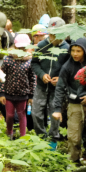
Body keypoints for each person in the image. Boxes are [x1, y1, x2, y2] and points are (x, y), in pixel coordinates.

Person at [51, 38, 86, 162]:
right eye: (73, 50)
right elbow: (60, 87)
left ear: (85, 51)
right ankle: (73, 162)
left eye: (78, 51)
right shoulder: (67, 66)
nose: (75, 54)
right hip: (74, 104)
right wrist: (57, 109)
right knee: (73, 137)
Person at [31, 17, 70, 145]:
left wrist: (60, 79)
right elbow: (34, 63)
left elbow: (69, 69)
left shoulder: (67, 48)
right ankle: (41, 137)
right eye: (51, 34)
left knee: (55, 113)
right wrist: (42, 74)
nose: (53, 37)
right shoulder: (42, 45)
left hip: (57, 90)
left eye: (57, 34)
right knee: (36, 113)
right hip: (42, 86)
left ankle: (54, 137)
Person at [0, 35, 37, 140]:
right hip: (9, 93)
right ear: (15, 46)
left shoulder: (29, 61)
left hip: (23, 94)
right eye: (19, 48)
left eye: (24, 48)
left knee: (22, 114)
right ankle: (9, 133)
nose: (21, 50)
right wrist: (1, 93)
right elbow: (1, 76)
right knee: (10, 115)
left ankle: (23, 136)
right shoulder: (7, 60)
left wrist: (31, 95)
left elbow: (32, 79)